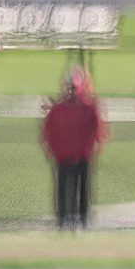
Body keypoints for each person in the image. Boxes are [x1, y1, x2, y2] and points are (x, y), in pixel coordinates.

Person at [41, 68, 108, 230]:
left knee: (75, 189)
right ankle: (69, 219)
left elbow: (98, 132)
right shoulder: (65, 109)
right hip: (69, 156)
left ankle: (73, 219)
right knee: (69, 190)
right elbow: (49, 133)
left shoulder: (84, 108)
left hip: (75, 156)